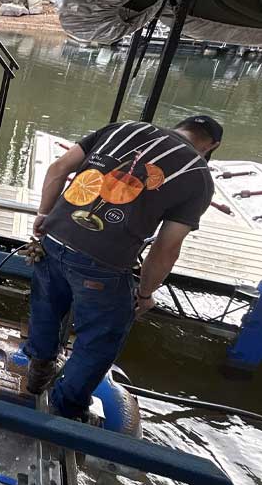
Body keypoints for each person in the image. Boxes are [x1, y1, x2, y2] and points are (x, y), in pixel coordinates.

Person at [24, 115, 222, 420]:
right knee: (100, 338)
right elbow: (167, 247)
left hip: (53, 238)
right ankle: (63, 410)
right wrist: (144, 293)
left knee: (46, 307)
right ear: (213, 146)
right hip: (103, 264)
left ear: (179, 124)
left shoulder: (125, 128)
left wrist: (43, 212)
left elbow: (58, 168)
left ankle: (38, 370)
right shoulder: (198, 175)